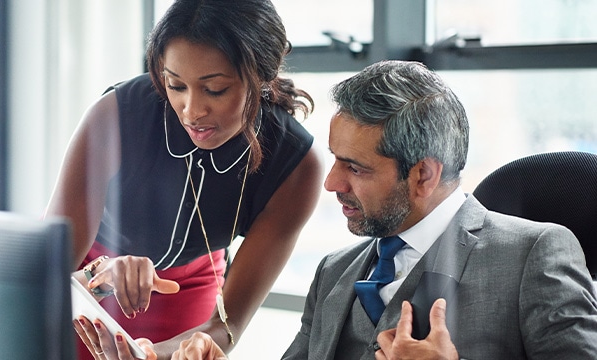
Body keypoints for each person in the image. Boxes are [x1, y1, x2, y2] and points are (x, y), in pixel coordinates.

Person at [158, 60, 597, 359]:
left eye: (355, 167)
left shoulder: (534, 253)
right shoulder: (334, 271)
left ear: (423, 175)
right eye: (334, 159)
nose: (331, 183)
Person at [44, 0, 324, 359]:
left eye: (215, 89)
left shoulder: (297, 166)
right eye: (175, 85)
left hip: (190, 288)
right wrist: (100, 277)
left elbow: (227, 325)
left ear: (263, 76)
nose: (192, 111)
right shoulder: (114, 115)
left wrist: (152, 355)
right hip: (90, 283)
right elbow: (42, 277)